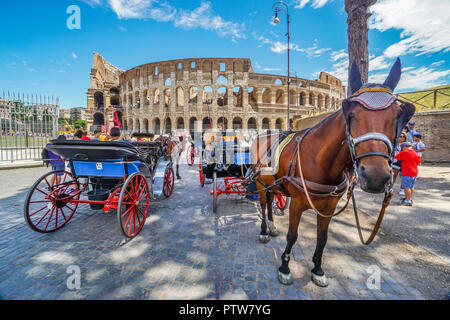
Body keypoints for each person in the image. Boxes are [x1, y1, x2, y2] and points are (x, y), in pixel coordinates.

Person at [395, 141, 421, 206]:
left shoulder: (404, 153)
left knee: (406, 187)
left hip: (407, 172)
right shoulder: (415, 153)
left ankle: (408, 201)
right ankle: (408, 198)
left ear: (404, 147)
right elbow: (419, 163)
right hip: (414, 172)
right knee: (411, 187)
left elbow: (396, 157)